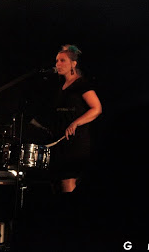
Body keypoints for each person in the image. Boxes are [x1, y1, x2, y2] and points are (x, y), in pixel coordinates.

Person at [31, 44, 102, 192]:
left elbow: (97, 108)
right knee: (56, 183)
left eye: (62, 60)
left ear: (73, 64)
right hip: (60, 142)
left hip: (75, 143)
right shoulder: (61, 87)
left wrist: (75, 123)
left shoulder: (81, 84)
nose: (57, 64)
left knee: (67, 181)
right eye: (57, 61)